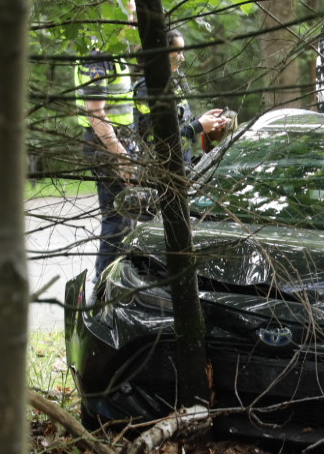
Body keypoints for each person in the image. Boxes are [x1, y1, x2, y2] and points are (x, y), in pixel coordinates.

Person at [132, 29, 232, 170]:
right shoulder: (147, 89)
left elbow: (177, 122)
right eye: (178, 52)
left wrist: (203, 121)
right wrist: (198, 126)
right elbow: (158, 137)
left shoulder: (169, 83)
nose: (182, 58)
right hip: (161, 170)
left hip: (179, 164)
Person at [79, 52, 137, 276]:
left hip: (119, 143)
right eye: (133, 13)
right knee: (116, 218)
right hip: (107, 147)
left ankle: (119, 280)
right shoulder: (99, 55)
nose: (135, 15)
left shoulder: (117, 51)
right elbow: (95, 112)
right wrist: (120, 154)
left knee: (127, 217)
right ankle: (102, 285)